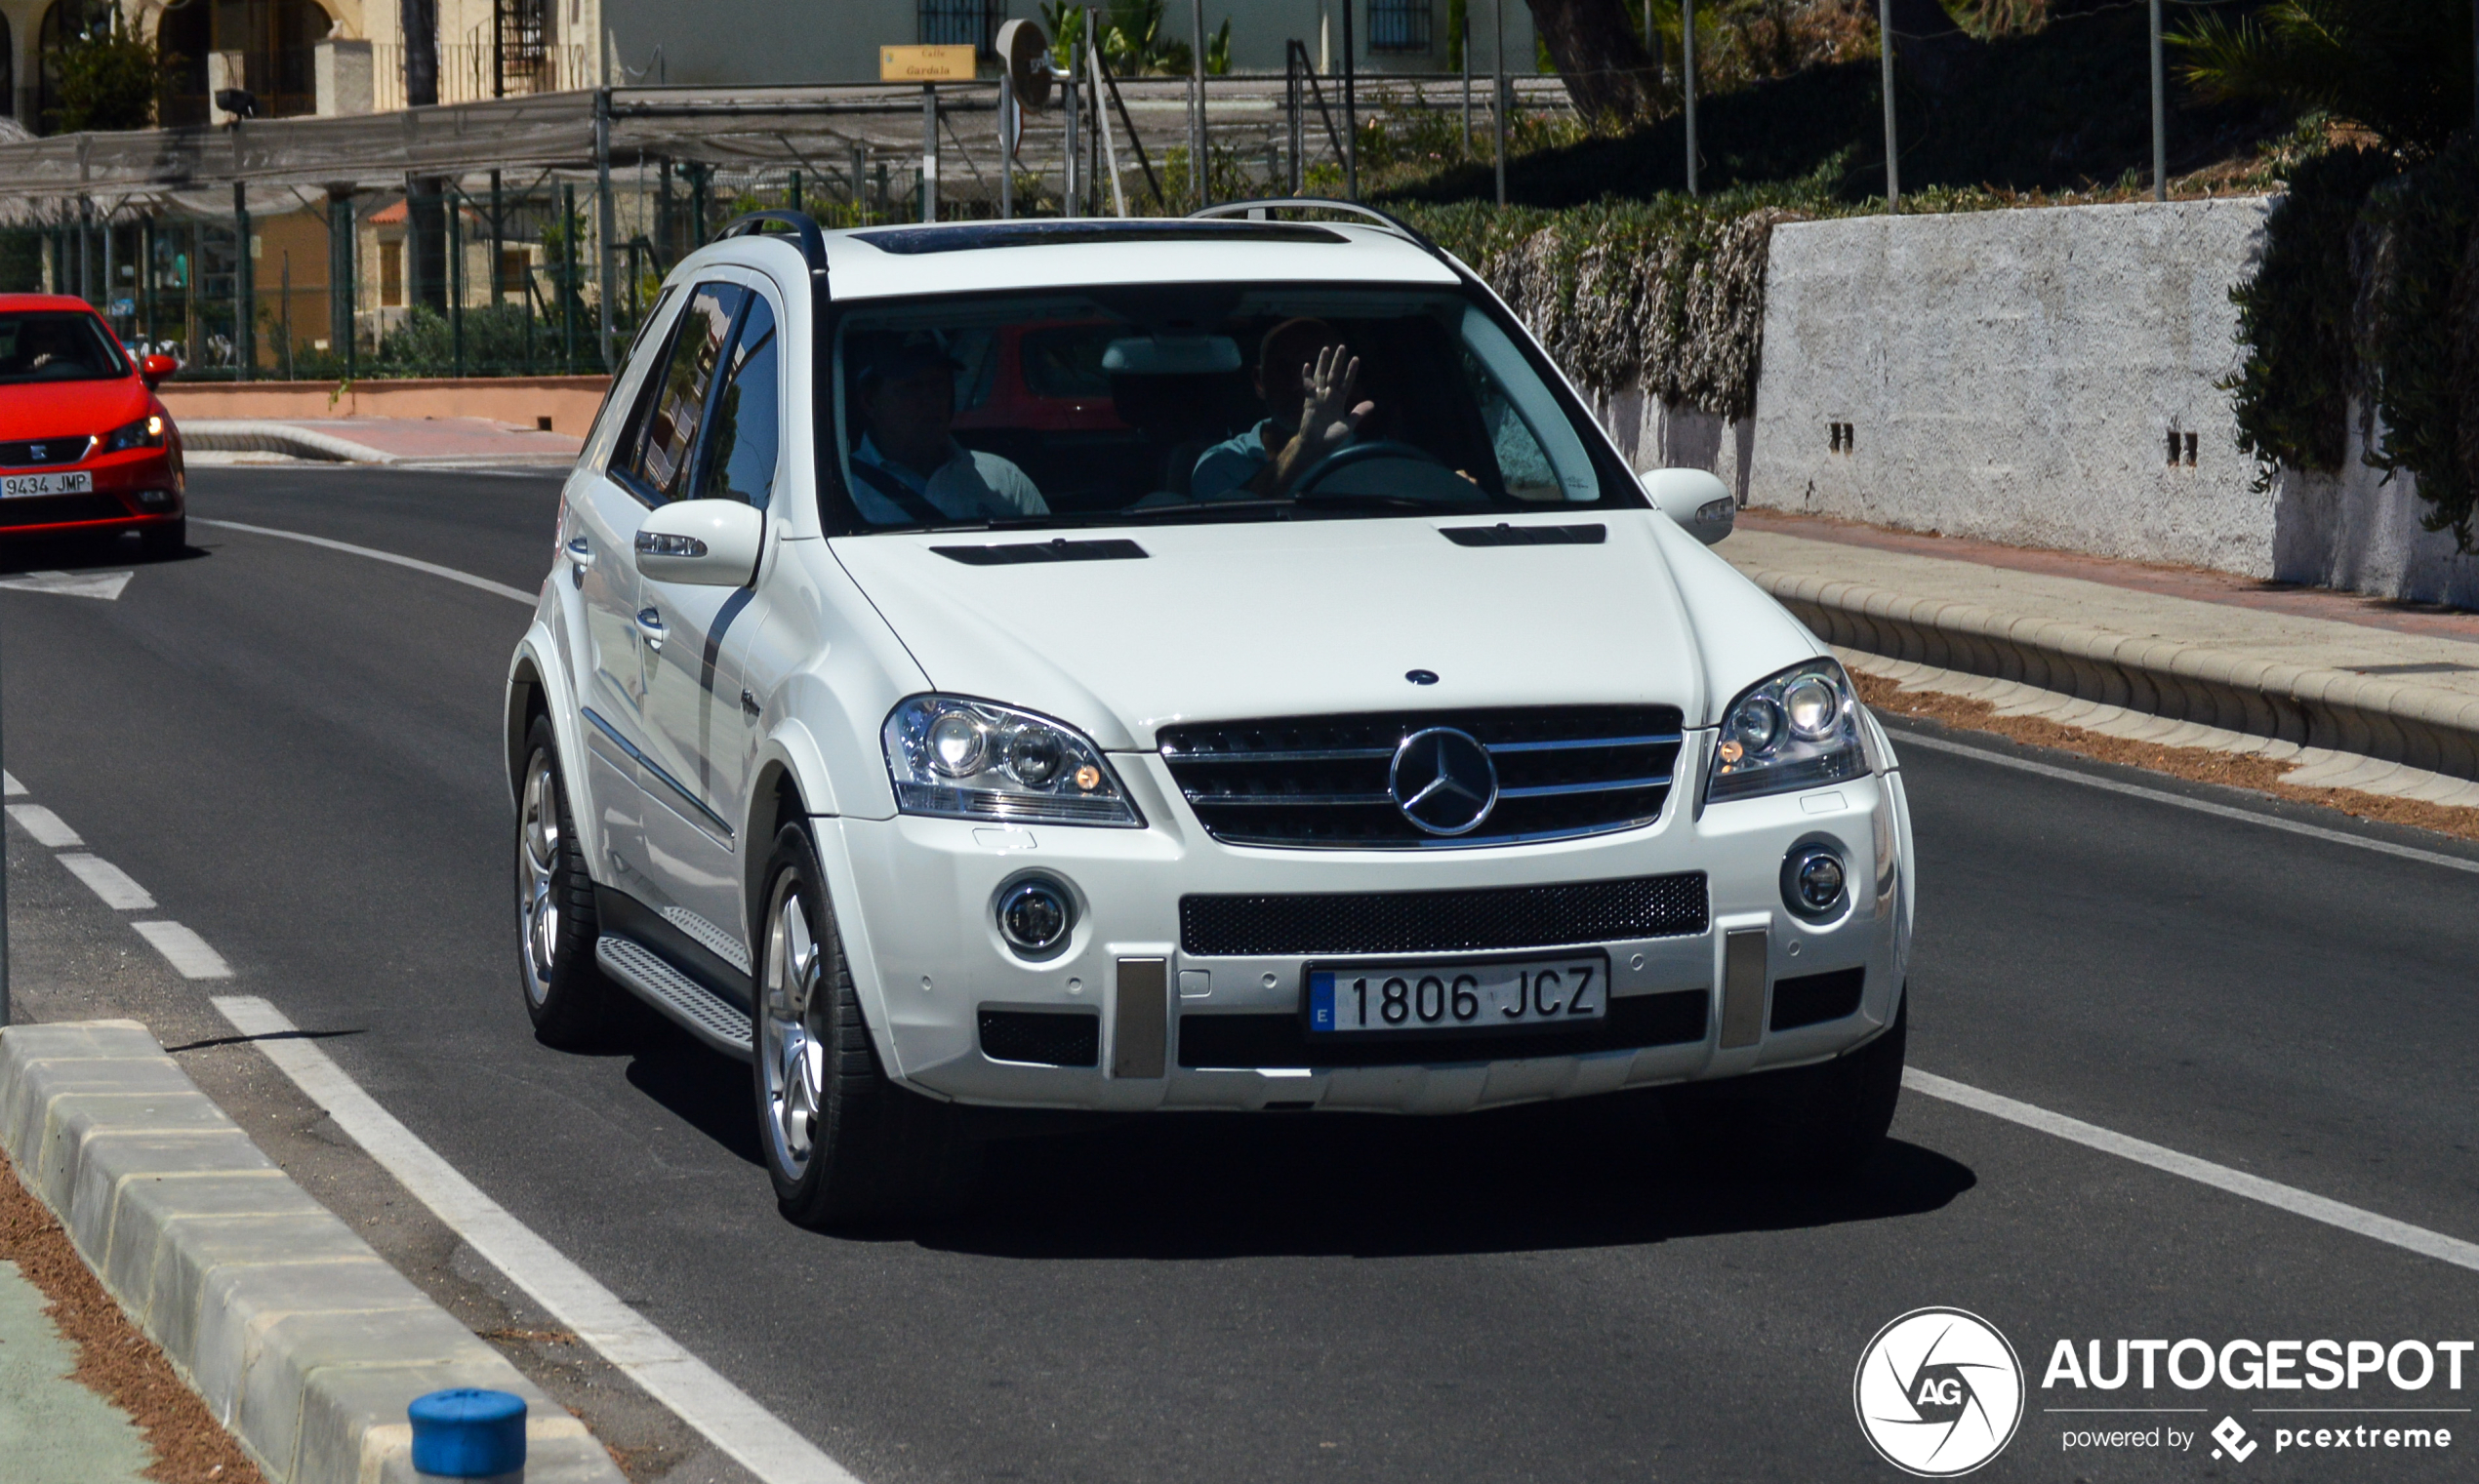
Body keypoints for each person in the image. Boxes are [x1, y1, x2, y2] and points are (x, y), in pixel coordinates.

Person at [846, 335, 1046, 524]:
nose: (929, 400)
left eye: (938, 384)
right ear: (869, 401)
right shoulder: (842, 490)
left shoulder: (1004, 480)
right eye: (911, 387)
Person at [1190, 318, 1376, 501]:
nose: (1298, 383)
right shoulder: (1222, 462)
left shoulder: (1371, 460)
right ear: (1259, 382)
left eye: (1316, 367)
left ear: (1345, 379)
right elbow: (1225, 523)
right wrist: (1303, 445)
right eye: (1283, 368)